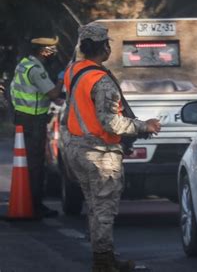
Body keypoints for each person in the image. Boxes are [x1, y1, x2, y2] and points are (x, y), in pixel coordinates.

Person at [61, 22, 161, 272]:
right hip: (99, 153)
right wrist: (144, 126)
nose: (109, 48)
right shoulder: (101, 80)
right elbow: (110, 122)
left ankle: (104, 255)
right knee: (104, 209)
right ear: (103, 47)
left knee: (95, 207)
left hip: (76, 148)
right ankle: (103, 261)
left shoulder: (73, 70)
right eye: (107, 44)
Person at [10, 36, 64, 218]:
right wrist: (61, 79)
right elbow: (53, 93)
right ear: (43, 51)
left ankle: (28, 201)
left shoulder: (24, 64)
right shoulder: (36, 69)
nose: (53, 54)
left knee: (26, 162)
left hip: (23, 117)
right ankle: (35, 205)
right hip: (33, 120)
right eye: (51, 50)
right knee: (35, 164)